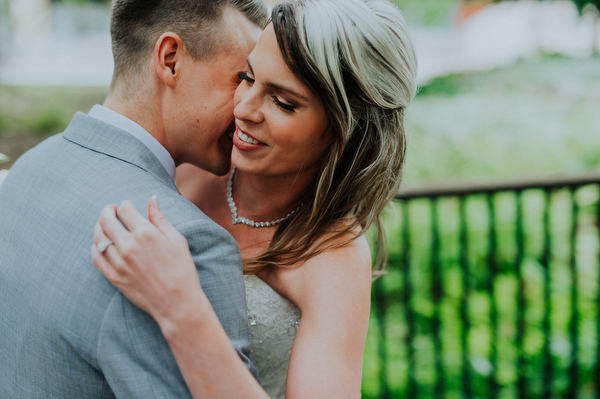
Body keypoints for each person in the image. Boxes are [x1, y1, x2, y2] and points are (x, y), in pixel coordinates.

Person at [92, 0, 418, 397]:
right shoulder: (190, 164)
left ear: (344, 130)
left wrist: (182, 309)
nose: (243, 109)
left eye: (283, 102)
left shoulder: (333, 257)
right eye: (247, 77)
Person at [0, 0, 268, 397]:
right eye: (243, 77)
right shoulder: (183, 240)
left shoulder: (32, 165)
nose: (247, 107)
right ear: (171, 59)